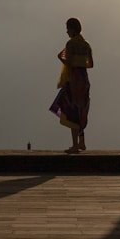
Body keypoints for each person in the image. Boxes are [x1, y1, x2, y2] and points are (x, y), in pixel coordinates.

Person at [48, 17, 93, 153]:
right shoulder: (86, 45)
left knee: (71, 111)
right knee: (81, 110)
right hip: (84, 80)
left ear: (72, 29)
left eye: (68, 28)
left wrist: (61, 58)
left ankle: (75, 145)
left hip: (73, 80)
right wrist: (79, 60)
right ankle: (81, 142)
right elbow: (90, 64)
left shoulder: (70, 44)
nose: (66, 31)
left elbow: (69, 63)